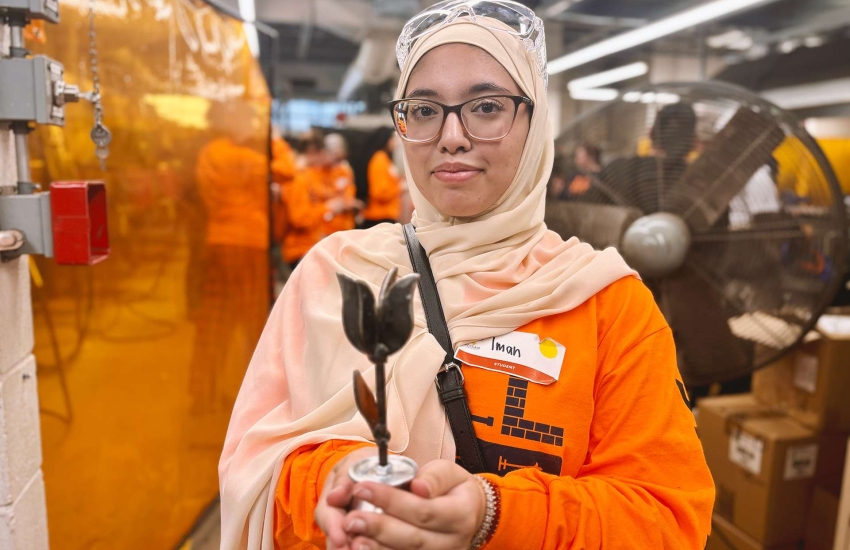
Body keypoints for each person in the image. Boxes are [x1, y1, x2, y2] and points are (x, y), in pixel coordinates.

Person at [219, 3, 714, 550]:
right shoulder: (336, 276)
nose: (452, 136)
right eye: (425, 110)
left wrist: (494, 513)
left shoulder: (607, 306)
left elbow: (665, 520)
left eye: (485, 107)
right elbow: (262, 465)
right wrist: (341, 478)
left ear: (534, 121)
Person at [357, 127, 403, 228]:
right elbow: (379, 192)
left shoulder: (385, 158)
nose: (395, 142)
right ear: (386, 140)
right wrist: (399, 188)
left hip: (385, 215)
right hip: (379, 217)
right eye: (393, 138)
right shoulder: (379, 158)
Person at [324, 133, 363, 234]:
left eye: (338, 147)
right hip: (327, 225)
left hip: (345, 225)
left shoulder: (346, 169)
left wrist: (350, 203)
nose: (336, 152)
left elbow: (349, 193)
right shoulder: (321, 170)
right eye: (332, 148)